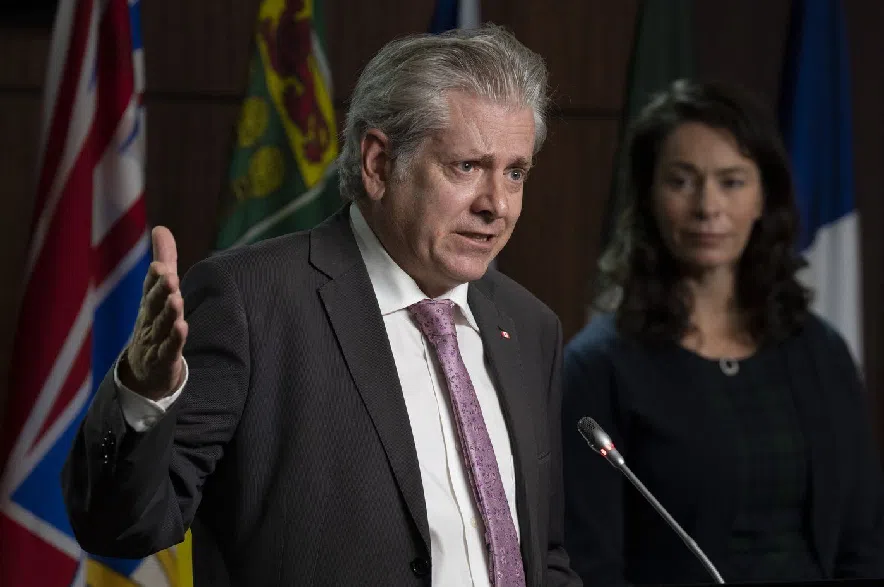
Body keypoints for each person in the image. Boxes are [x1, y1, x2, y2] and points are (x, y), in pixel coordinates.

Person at [62, 25, 580, 587]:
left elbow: (542, 556)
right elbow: (122, 529)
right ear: (378, 164)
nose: (496, 206)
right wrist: (143, 393)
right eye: (467, 167)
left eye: (515, 173)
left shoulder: (529, 328)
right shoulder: (250, 302)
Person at [562, 79, 884, 586]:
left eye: (731, 182)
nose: (707, 207)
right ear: (648, 196)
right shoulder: (598, 367)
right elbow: (591, 563)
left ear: (763, 198)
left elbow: (865, 542)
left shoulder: (820, 351)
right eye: (682, 181)